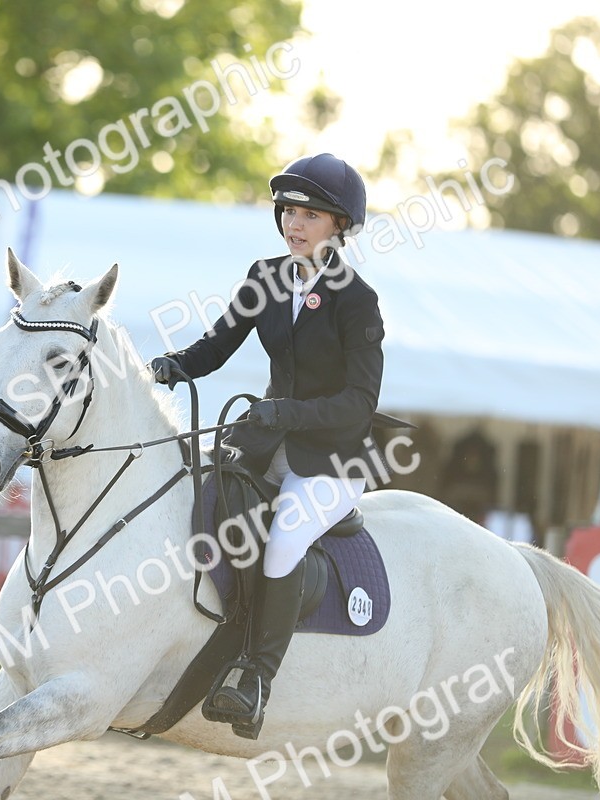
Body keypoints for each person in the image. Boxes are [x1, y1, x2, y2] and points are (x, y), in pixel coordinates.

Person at [148, 153, 385, 738]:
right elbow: (214, 347)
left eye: (310, 214)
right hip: (265, 441)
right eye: (289, 211)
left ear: (339, 226)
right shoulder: (267, 277)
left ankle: (256, 676)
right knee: (202, 498)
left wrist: (289, 412)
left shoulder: (357, 300)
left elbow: (361, 400)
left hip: (331, 457)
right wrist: (165, 366)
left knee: (282, 541)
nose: (294, 224)